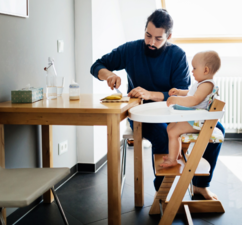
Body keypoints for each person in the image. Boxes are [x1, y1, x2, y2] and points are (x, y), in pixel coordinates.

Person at [90, 9, 224, 200]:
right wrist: (109, 75)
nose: (151, 42)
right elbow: (97, 65)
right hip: (142, 115)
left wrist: (151, 94)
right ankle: (162, 193)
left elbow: (182, 91)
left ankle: (200, 186)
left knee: (217, 128)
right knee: (162, 134)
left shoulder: (177, 55)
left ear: (168, 36)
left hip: (176, 113)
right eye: (148, 35)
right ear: (144, 30)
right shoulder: (130, 50)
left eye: (158, 38)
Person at [161, 51, 221, 168]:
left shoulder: (206, 85)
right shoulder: (202, 84)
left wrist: (176, 99)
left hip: (198, 122)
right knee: (170, 128)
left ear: (205, 70)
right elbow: (190, 93)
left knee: (173, 132)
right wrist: (179, 92)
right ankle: (176, 155)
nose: (192, 71)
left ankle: (172, 159)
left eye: (194, 68)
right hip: (195, 118)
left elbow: (194, 100)